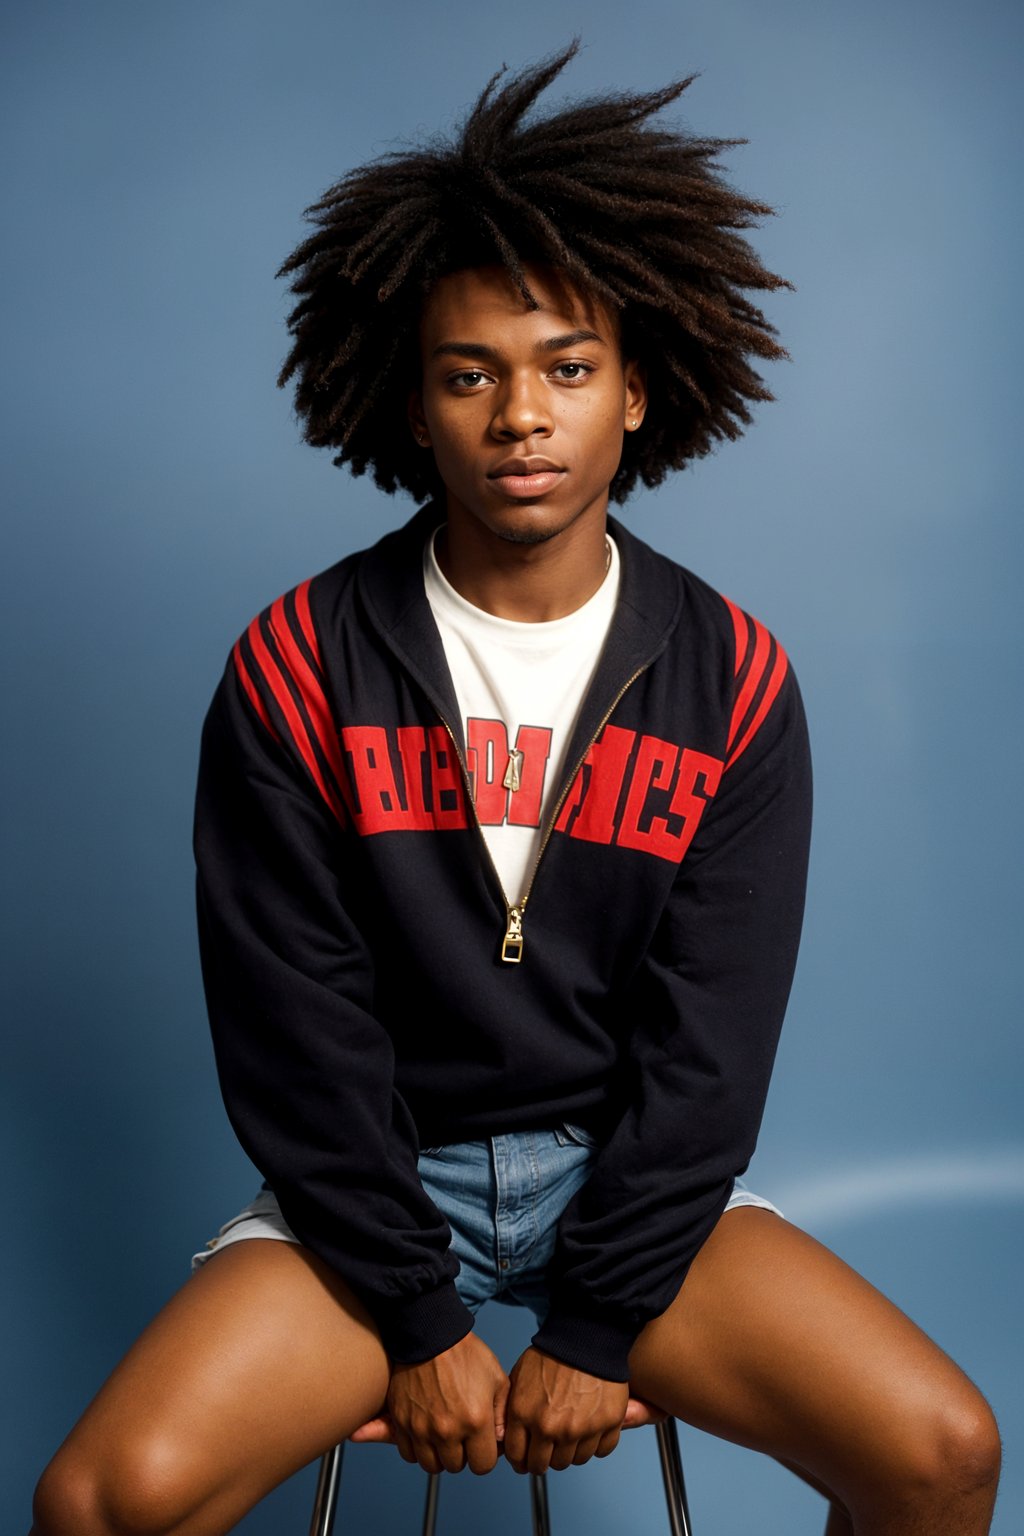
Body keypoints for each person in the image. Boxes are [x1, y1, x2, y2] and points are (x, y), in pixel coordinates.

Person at [32, 44, 1000, 1536]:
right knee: (106, 1500)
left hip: (628, 1183)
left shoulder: (732, 682)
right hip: (373, 1187)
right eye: (469, 374)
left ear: (638, 392)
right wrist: (420, 1319)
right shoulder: (301, 665)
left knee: (941, 1452)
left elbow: (710, 1055)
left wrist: (595, 1326)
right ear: (413, 407)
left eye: (566, 368)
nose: (520, 417)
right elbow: (294, 1032)